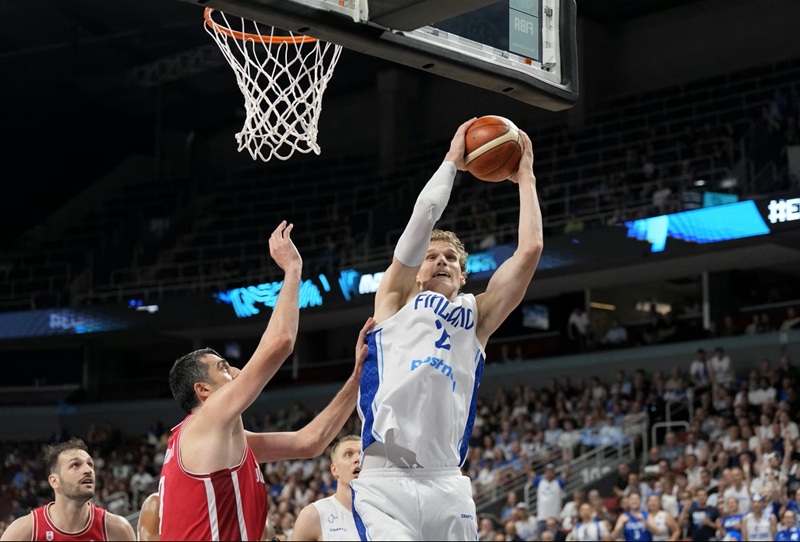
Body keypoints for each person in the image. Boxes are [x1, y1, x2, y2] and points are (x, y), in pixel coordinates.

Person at [351, 118, 544, 541]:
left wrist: (525, 177)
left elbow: (530, 250)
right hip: (385, 480)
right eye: (432, 256)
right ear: (417, 272)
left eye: (452, 259)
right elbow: (424, 215)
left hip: (447, 484)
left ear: (462, 276)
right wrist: (452, 163)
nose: (441, 261)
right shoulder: (395, 300)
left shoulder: (479, 318)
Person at [159, 221, 375, 541]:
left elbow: (309, 443)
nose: (235, 370)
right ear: (203, 391)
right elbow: (281, 343)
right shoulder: (205, 421)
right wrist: (292, 270)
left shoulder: (226, 439)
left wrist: (358, 377)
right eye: (223, 367)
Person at [0, 438, 135, 541]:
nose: (88, 470)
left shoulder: (117, 529)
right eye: (75, 465)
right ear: (54, 481)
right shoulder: (25, 530)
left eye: (90, 464)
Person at [290, 435, 361, 541]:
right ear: (334, 470)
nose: (357, 459)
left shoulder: (385, 512)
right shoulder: (313, 515)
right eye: (348, 454)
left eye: (362, 454)